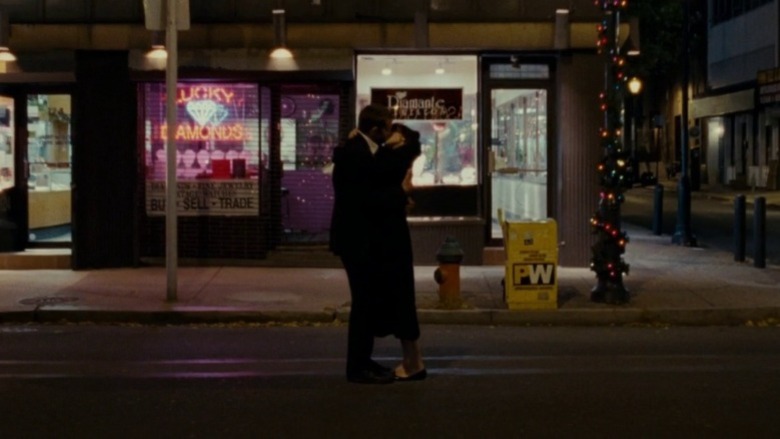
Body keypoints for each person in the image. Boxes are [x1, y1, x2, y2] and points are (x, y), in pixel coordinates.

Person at [330, 103, 426, 384]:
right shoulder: (355, 153)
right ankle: (358, 368)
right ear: (375, 129)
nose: (390, 133)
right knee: (363, 302)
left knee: (367, 302)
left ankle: (363, 361)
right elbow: (364, 200)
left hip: (361, 239)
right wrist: (401, 192)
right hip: (355, 240)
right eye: (387, 127)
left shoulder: (365, 150)